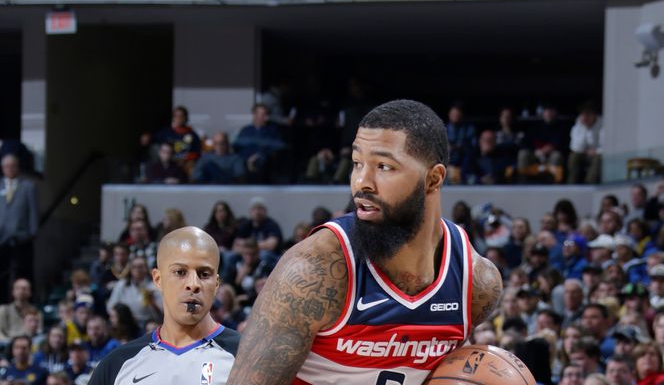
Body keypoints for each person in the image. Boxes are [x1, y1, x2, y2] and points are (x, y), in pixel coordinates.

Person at [228, 100, 502, 384]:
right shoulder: (314, 271)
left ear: (433, 180)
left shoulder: (477, 284)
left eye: (384, 166)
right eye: (357, 163)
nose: (362, 182)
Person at [90, 227, 239, 384]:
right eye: (180, 272)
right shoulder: (117, 365)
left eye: (204, 274)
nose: (193, 284)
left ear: (216, 284)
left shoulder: (246, 357)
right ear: (157, 279)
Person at [0, 154, 39, 285]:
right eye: (6, 166)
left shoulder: (28, 186)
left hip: (22, 238)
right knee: (2, 274)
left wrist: (32, 233)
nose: (9, 169)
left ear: (17, 167)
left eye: (12, 166)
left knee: (23, 273)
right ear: (2, 168)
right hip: (1, 239)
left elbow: (33, 211)